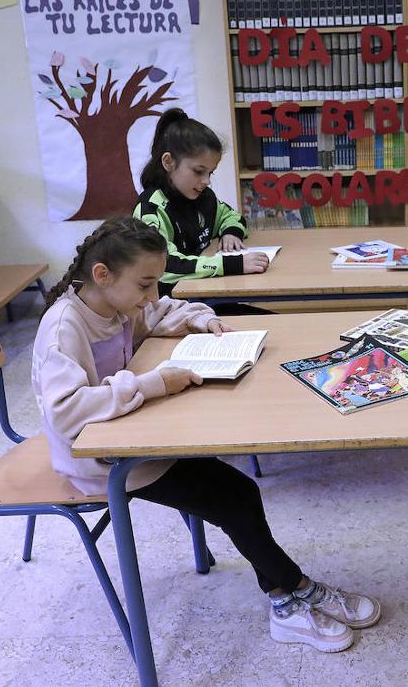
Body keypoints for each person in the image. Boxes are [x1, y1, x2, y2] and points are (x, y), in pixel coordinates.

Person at [32, 216, 380, 652]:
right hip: (98, 460)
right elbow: (66, 412)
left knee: (234, 487)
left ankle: (290, 594)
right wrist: (153, 382)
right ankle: (292, 593)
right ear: (102, 275)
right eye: (145, 284)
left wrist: (200, 319)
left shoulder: (116, 303)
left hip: (132, 432)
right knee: (234, 497)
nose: (151, 295)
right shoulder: (64, 327)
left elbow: (157, 314)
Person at [133, 108, 270, 304]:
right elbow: (163, 265)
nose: (206, 181)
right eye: (199, 171)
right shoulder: (150, 209)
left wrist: (231, 232)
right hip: (169, 308)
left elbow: (232, 216)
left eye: (210, 173)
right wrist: (232, 264)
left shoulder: (203, 197)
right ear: (168, 162)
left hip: (203, 296)